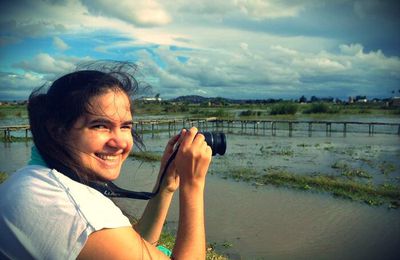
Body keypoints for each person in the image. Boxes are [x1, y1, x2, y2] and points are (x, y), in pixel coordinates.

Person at [0, 61, 212, 259]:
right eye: (100, 125)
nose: (120, 142)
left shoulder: (36, 179)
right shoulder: (68, 208)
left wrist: (165, 187)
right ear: (57, 131)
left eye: (125, 126)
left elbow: (132, 247)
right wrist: (192, 185)